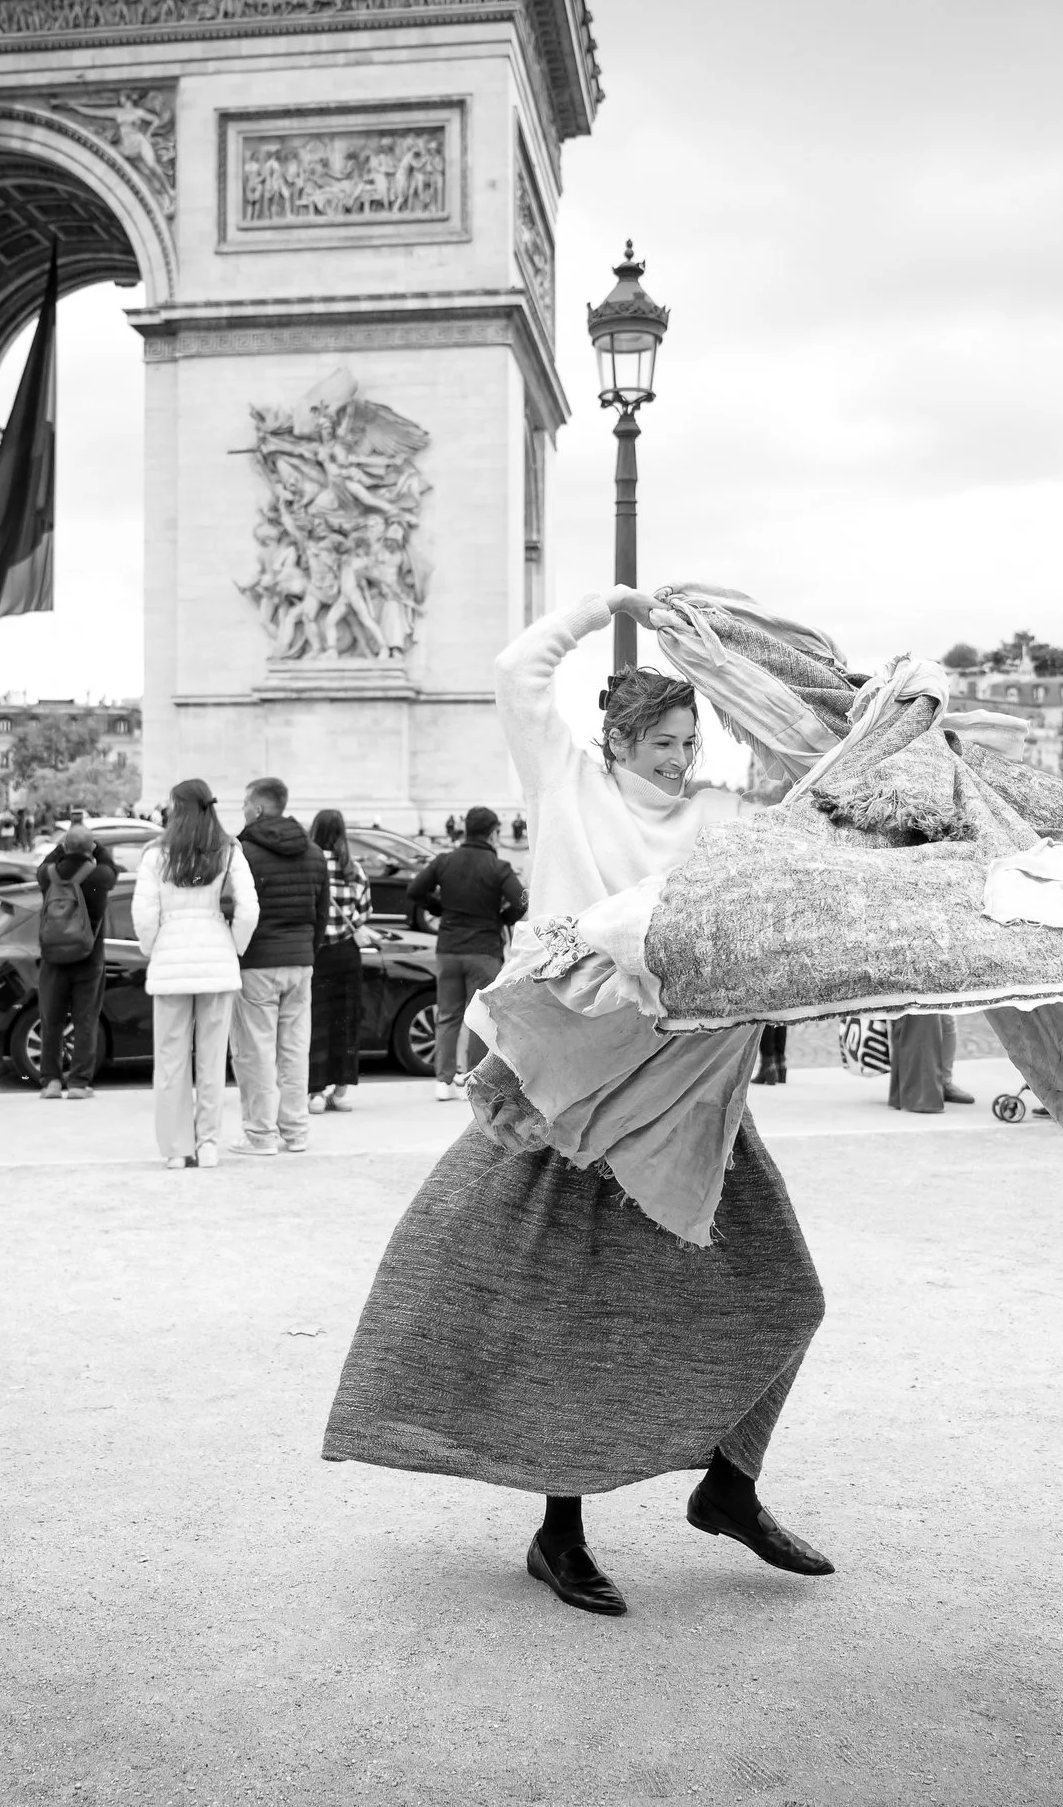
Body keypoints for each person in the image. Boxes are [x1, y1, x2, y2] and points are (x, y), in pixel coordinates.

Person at [326, 587, 830, 1620]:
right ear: (617, 736)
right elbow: (516, 670)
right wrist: (607, 610)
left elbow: (806, 787)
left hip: (689, 1095)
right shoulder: (561, 780)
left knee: (791, 1293)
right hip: (562, 1091)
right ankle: (559, 1530)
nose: (680, 756)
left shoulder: (720, 814)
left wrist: (735, 664)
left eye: (691, 738)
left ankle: (728, 1486)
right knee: (563, 1310)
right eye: (663, 739)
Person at [132, 780, 258, 1169]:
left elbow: (143, 913)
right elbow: (249, 908)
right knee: (211, 1059)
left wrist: (153, 946)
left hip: (172, 955)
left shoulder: (157, 853)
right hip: (216, 956)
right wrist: (234, 944)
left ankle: (176, 1148)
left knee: (170, 1061)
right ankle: (208, 1145)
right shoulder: (228, 849)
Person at [405, 806, 527, 1103]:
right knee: (479, 1018)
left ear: (465, 830)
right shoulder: (499, 867)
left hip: (448, 948)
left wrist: (438, 907)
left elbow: (414, 890)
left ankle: (443, 1081)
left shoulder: (445, 861)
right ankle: (471, 1078)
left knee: (447, 1014)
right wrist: (503, 918)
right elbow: (522, 901)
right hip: (483, 951)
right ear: (493, 832)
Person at [232, 777, 328, 1156]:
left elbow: (237, 909)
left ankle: (260, 1134)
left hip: (258, 961)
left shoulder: (243, 852)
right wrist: (308, 949)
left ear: (257, 808)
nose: (241, 809)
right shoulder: (314, 852)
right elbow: (320, 914)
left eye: (244, 803)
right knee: (294, 1050)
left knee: (254, 1051)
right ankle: (296, 1131)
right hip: (300, 960)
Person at [33, 825, 114, 1099]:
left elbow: (45, 862)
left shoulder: (48, 875)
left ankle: (51, 1082)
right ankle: (79, 1083)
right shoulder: (100, 876)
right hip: (89, 959)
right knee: (86, 1020)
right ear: (90, 849)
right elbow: (111, 867)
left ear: (64, 848)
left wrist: (62, 846)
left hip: (53, 959)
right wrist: (95, 847)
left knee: (51, 1021)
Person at [307, 809, 370, 1114]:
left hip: (317, 953)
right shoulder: (353, 869)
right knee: (346, 1022)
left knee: (316, 1021)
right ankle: (340, 1090)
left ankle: (315, 1090)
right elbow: (364, 913)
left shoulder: (310, 866)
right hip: (346, 953)